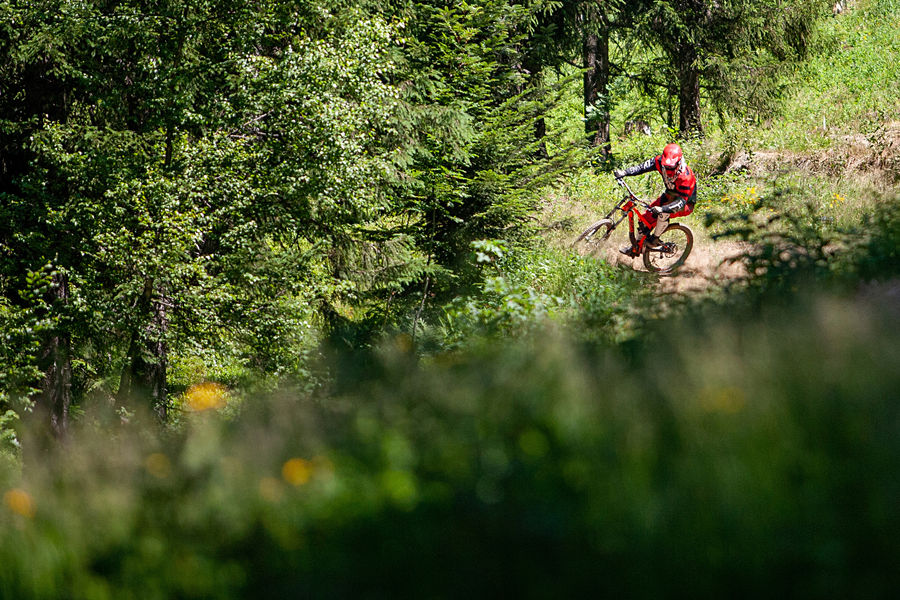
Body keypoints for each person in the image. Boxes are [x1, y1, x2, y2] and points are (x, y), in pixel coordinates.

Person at [613, 143, 697, 257]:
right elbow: (642, 167)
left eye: (671, 168)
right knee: (644, 220)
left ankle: (655, 239)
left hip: (685, 203)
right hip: (669, 195)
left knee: (662, 213)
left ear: (678, 163)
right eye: (666, 167)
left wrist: (662, 208)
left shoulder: (685, 177)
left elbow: (681, 202)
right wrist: (625, 172)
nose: (668, 171)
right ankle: (636, 247)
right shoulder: (659, 161)